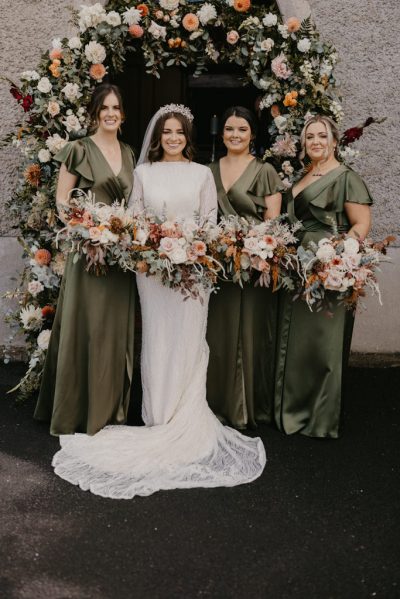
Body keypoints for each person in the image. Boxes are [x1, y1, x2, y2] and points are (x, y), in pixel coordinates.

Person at [50, 104, 266, 499]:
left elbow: (209, 222)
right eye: (166, 132)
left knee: (188, 340)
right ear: (158, 136)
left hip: (193, 276)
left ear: (188, 137)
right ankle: (158, 417)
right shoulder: (144, 174)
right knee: (158, 341)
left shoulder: (202, 174)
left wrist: (191, 250)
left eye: (179, 133)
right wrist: (154, 245)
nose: (172, 138)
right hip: (152, 274)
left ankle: (185, 417)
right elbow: (133, 219)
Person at [34, 84, 136, 436]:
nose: (110, 113)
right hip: (89, 252)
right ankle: (76, 411)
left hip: (119, 257)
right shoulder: (78, 150)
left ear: (122, 114)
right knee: (87, 325)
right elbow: (63, 203)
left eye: (116, 108)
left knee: (112, 330)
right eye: (104, 108)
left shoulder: (128, 151)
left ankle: (109, 409)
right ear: (95, 113)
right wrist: (89, 230)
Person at [274, 115, 373, 438]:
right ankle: (291, 410)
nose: (315, 141)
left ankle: (319, 418)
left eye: (322, 136)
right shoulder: (304, 176)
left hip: (329, 267)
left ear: (334, 141)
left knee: (323, 342)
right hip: (298, 265)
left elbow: (360, 225)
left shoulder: (346, 177)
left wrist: (342, 256)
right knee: (298, 340)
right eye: (310, 137)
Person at [206, 106, 283, 429]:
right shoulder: (208, 171)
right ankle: (217, 405)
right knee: (218, 334)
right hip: (219, 263)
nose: (235, 135)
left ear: (252, 134)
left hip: (254, 263)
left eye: (242, 129)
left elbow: (273, 222)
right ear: (221, 133)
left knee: (251, 333)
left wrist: (257, 249)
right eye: (229, 129)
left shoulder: (265, 170)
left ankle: (250, 407)